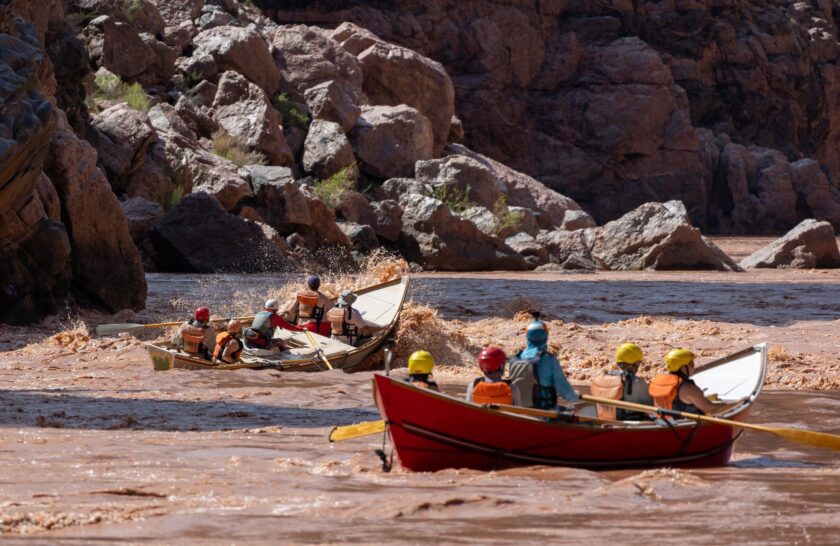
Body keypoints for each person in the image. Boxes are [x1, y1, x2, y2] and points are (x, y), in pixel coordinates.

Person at [508, 316, 579, 409]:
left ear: (527, 336)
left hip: (520, 409)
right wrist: (575, 398)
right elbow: (564, 389)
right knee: (572, 410)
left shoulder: (516, 358)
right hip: (543, 411)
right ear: (545, 336)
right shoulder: (549, 359)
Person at [649, 348, 724, 415]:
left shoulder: (656, 382)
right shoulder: (687, 388)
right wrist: (735, 406)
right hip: (684, 427)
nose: (693, 367)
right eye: (691, 364)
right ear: (682, 368)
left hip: (664, 422)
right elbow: (711, 409)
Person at [590, 343, 654, 420]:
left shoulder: (601, 378)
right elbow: (652, 407)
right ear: (636, 363)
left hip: (604, 421)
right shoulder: (637, 382)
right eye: (639, 363)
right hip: (628, 426)